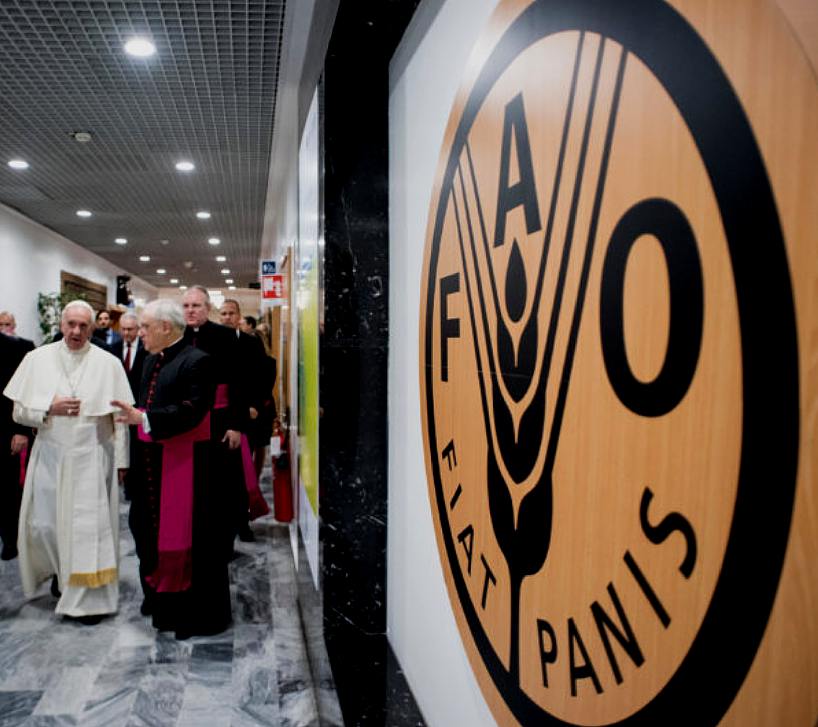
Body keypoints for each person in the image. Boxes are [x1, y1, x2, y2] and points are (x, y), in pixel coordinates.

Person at [3, 300, 133, 624]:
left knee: (89, 531)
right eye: (71, 324)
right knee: (47, 524)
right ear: (61, 325)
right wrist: (48, 407)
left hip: (93, 455)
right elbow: (18, 412)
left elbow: (119, 418)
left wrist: (121, 461)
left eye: (83, 326)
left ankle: (88, 599)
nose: (76, 331)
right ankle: (62, 574)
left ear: (93, 328)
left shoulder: (108, 363)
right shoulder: (36, 359)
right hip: (50, 454)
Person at [112, 299, 231, 639]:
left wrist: (144, 418)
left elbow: (192, 410)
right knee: (147, 534)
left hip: (188, 471)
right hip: (151, 469)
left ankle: (194, 615)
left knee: (193, 542)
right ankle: (162, 603)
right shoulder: (151, 360)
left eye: (146, 327)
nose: (140, 333)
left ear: (166, 327)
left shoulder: (198, 361)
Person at [182, 287, 261, 545]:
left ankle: (229, 534)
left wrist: (237, 424)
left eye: (196, 306)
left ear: (207, 308)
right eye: (186, 306)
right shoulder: (177, 335)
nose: (191, 311)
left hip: (221, 421)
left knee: (228, 483)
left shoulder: (226, 336)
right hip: (187, 421)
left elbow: (238, 382)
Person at [219, 298, 271, 535]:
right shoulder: (211, 344)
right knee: (221, 476)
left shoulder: (251, 343)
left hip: (245, 416)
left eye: (231, 313)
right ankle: (223, 524)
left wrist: (255, 406)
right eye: (223, 313)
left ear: (239, 316)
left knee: (242, 472)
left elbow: (262, 378)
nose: (227, 317)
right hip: (218, 418)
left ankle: (242, 522)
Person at [0, 331, 34, 560]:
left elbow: (25, 393)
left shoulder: (15, 347)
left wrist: (21, 430)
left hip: (5, 430)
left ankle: (10, 539)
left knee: (7, 490)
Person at [112, 312, 146, 501]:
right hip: (118, 405)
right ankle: (125, 484)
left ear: (138, 329)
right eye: (123, 329)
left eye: (130, 329)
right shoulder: (113, 348)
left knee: (136, 448)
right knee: (121, 445)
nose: (126, 333)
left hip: (139, 407)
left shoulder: (147, 349)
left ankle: (134, 486)